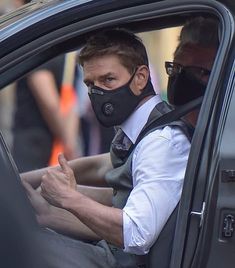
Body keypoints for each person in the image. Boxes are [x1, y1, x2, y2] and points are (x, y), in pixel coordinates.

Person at [21, 16, 219, 267]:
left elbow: (136, 234)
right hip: (110, 251)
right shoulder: (139, 128)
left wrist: (68, 198)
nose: (98, 92)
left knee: (16, 248)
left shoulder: (162, 141)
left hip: (121, 259)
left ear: (140, 78)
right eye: (90, 84)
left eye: (108, 80)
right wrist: (27, 183)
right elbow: (101, 168)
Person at [11, 0, 79, 173]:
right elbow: (65, 102)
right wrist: (69, 142)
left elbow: (54, 101)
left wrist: (67, 142)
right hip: (47, 148)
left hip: (36, 146)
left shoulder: (36, 37)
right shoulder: (60, 43)